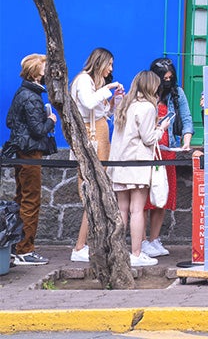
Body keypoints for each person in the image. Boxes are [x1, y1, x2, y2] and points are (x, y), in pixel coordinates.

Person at [110, 69, 171, 267]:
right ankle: (136, 253)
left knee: (121, 209)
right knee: (137, 210)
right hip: (137, 163)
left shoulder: (125, 104)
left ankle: (118, 251)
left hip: (119, 162)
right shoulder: (147, 107)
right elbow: (148, 138)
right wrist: (161, 128)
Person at [69, 47, 124, 263]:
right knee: (92, 190)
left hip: (99, 133)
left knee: (98, 190)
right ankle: (80, 246)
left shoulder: (93, 84)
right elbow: (88, 103)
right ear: (99, 63)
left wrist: (111, 102)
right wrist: (108, 88)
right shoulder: (83, 80)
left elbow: (101, 112)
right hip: (92, 136)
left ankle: (86, 244)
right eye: (109, 64)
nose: (110, 69)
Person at [5, 53, 57, 266]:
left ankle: (16, 246)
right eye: (45, 69)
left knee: (21, 197)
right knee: (31, 200)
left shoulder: (21, 93)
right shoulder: (32, 96)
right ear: (37, 72)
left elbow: (10, 121)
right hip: (31, 153)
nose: (47, 73)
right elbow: (38, 130)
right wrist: (51, 120)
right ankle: (25, 249)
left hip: (21, 152)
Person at [142, 57, 193, 259]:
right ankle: (142, 240)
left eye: (171, 77)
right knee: (145, 199)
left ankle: (154, 239)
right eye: (164, 77)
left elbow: (187, 119)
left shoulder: (177, 93)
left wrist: (186, 140)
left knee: (161, 196)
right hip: (147, 152)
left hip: (168, 150)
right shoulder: (145, 93)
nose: (167, 81)